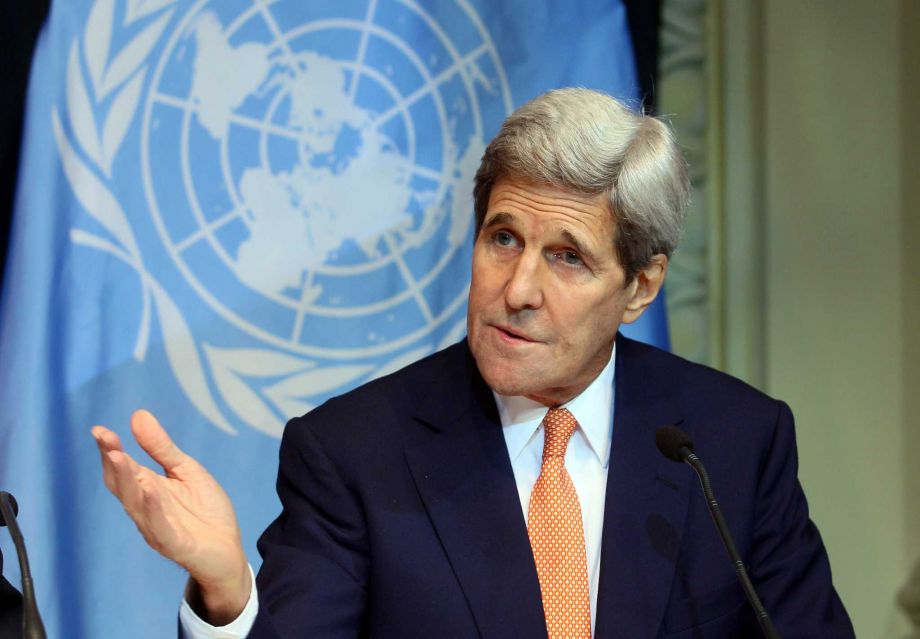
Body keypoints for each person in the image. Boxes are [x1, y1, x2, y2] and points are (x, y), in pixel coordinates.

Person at [92, 88, 854, 638]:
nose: (517, 289)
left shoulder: (731, 443)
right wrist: (227, 594)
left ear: (641, 285)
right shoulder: (356, 453)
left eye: (567, 258)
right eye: (503, 238)